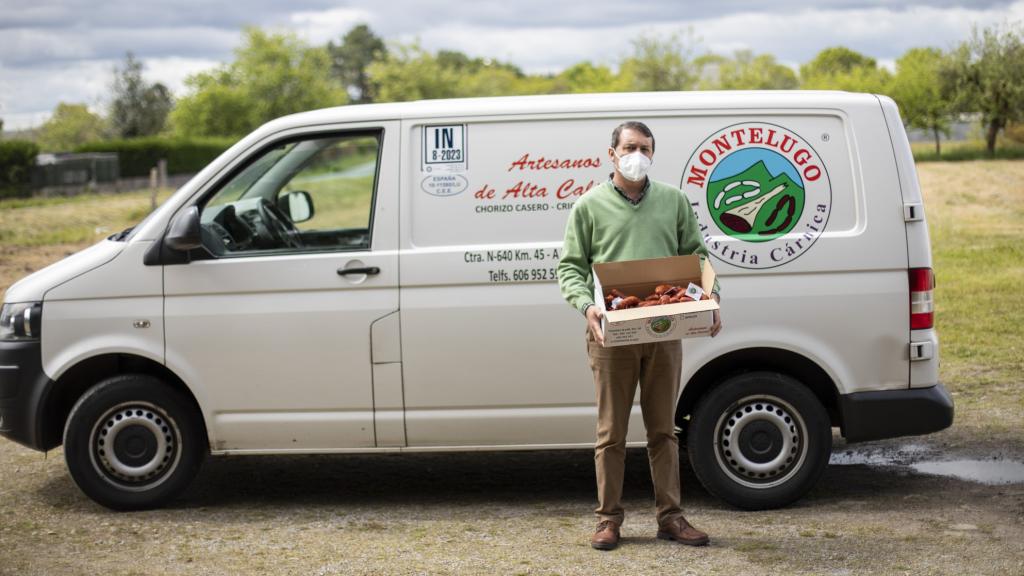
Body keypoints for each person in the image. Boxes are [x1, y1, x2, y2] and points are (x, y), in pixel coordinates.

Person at [556, 121, 721, 551]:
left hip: (665, 329)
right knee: (610, 432)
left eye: (645, 148)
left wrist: (711, 298)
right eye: (629, 147)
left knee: (663, 430)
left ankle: (671, 517)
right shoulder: (588, 206)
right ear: (611, 152)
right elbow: (570, 267)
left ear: (652, 154)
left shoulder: (673, 200)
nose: (637, 155)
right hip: (611, 334)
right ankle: (608, 520)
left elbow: (697, 255)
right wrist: (587, 307)